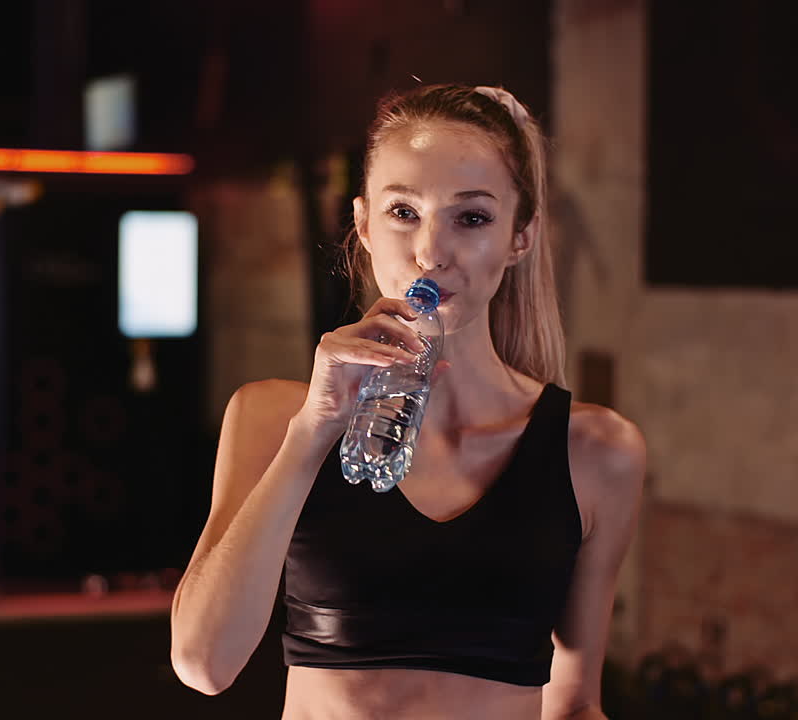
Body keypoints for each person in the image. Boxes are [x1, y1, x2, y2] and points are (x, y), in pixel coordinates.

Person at [170, 83, 646, 719]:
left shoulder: (595, 451)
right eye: (404, 212)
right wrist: (316, 426)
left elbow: (575, 704)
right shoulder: (272, 417)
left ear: (520, 237)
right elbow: (203, 664)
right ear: (363, 224)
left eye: (471, 217)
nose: (430, 252)